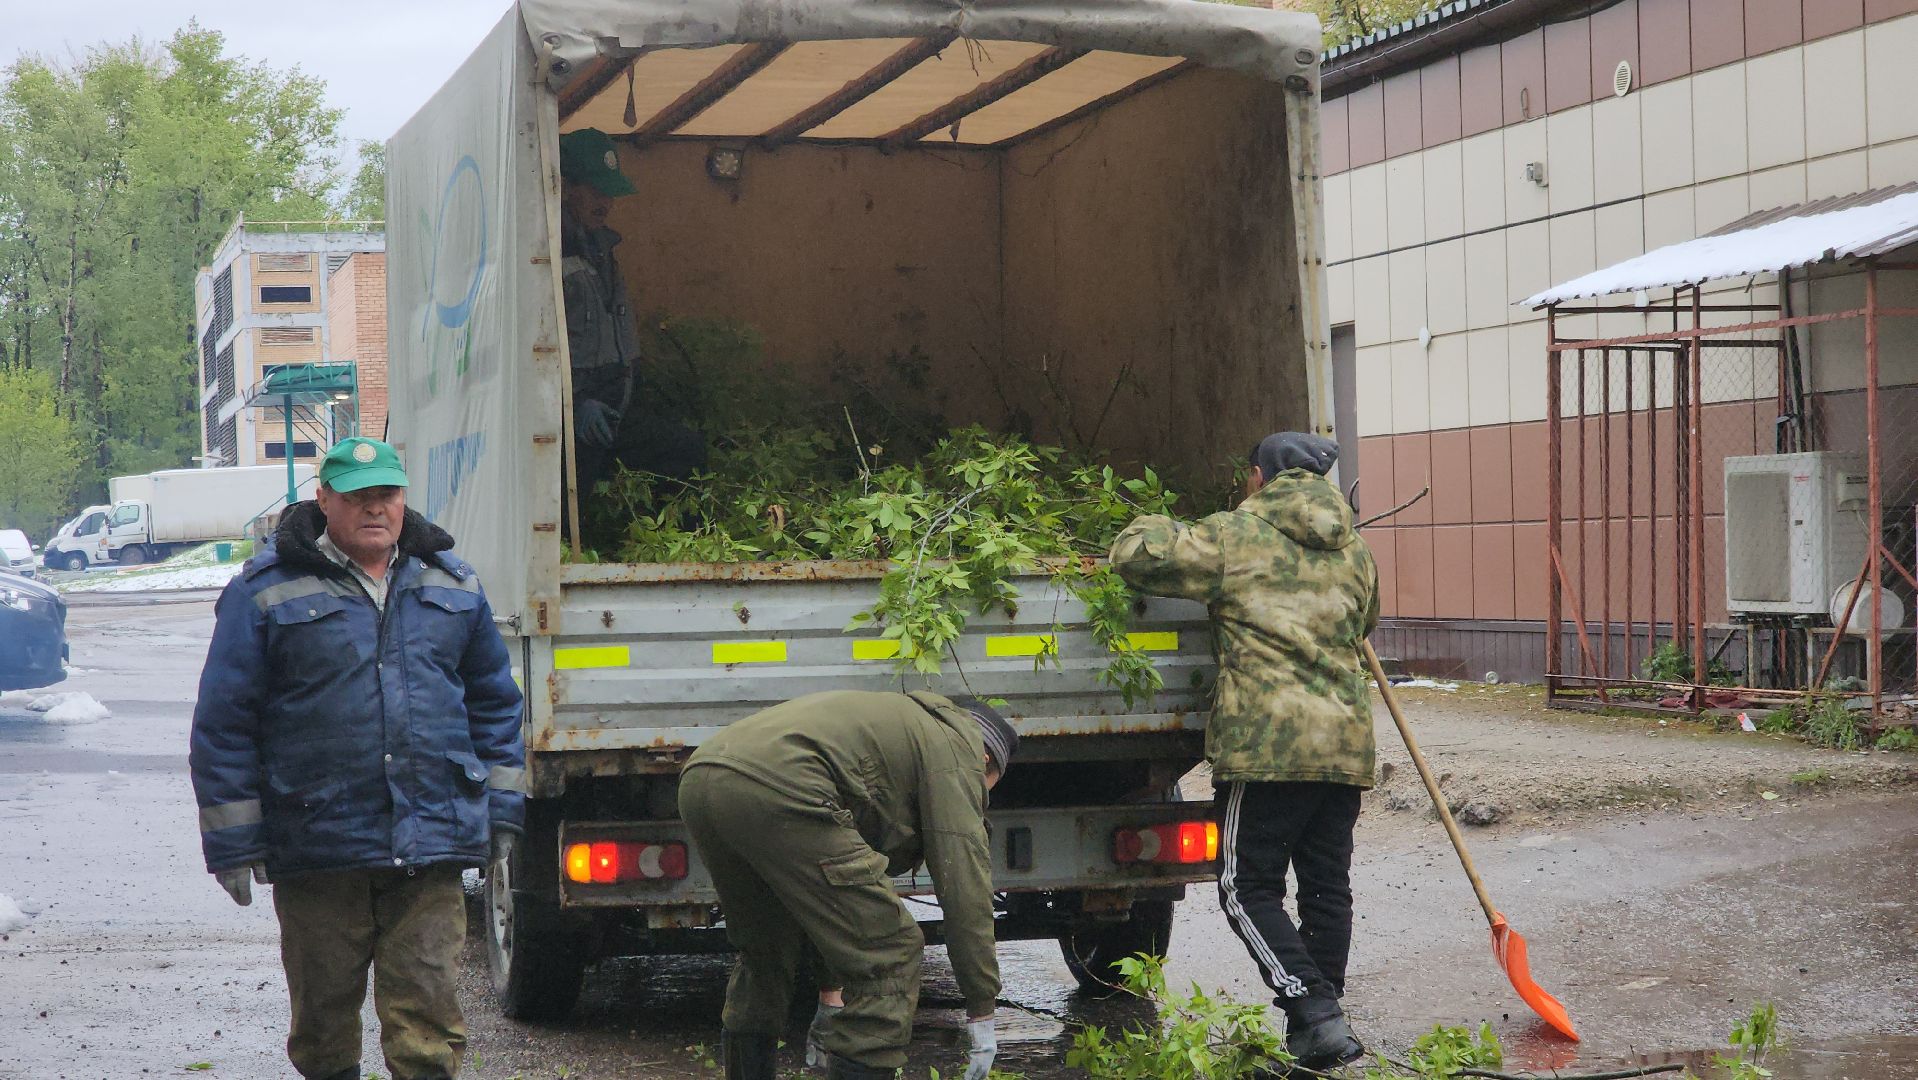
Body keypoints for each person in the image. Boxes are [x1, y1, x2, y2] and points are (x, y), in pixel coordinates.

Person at [189, 437, 526, 1080]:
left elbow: (494, 703)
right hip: (319, 845)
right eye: (358, 496)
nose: (376, 509)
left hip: (430, 841)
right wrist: (233, 842)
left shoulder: (453, 583)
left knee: (427, 1024)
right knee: (323, 1032)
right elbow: (225, 722)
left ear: (403, 500)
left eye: (387, 495)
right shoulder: (264, 590)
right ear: (324, 500)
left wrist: (502, 811)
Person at [1109, 432, 1379, 1073]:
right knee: (1324, 886)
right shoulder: (1357, 549)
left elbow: (1134, 555)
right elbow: (1364, 624)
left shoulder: (1233, 537)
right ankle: (1322, 1023)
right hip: (1344, 743)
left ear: (1259, 478)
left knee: (1244, 886)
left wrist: (1154, 516)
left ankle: (1313, 1012)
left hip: (1267, 745)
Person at [677, 690, 1017, 1080]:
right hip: (782, 784)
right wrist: (982, 1007)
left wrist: (830, 994)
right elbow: (964, 885)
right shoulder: (957, 750)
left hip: (704, 776)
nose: (982, 796)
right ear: (986, 758)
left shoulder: (902, 730)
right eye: (988, 785)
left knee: (766, 946)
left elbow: (834, 907)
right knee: (890, 948)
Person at [558, 127, 705, 498]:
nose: (604, 202)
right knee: (574, 504)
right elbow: (530, 349)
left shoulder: (602, 248)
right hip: (568, 419)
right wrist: (572, 408)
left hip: (615, 406)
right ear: (565, 186)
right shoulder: (543, 252)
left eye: (609, 193)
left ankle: (662, 552)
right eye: (595, 190)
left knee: (683, 450)